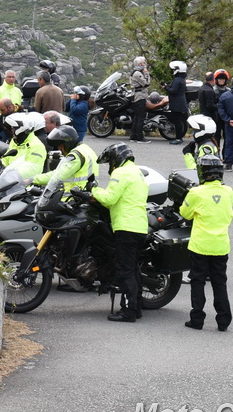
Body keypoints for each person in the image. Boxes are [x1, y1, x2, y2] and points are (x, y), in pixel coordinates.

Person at [87, 143, 148, 323]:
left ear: (116, 159)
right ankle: (136, 307)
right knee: (133, 269)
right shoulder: (136, 172)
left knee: (125, 271)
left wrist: (93, 189)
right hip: (139, 227)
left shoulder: (121, 172)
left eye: (110, 162)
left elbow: (109, 198)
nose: (110, 167)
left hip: (126, 227)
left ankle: (128, 312)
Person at [179, 154, 233, 331]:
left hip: (200, 245)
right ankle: (223, 320)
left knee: (198, 281)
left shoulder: (196, 193)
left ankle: (197, 319)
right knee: (219, 282)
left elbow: (184, 213)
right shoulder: (229, 191)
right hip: (220, 245)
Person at [34, 125, 97, 193]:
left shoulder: (75, 156)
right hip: (87, 192)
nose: (59, 149)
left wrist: (33, 180)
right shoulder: (85, 149)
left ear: (67, 144)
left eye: (60, 146)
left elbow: (57, 176)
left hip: (75, 194)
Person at [165, 60, 189, 145]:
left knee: (177, 121)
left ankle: (178, 138)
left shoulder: (178, 80)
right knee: (178, 121)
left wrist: (166, 87)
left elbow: (173, 91)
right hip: (180, 103)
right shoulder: (181, 79)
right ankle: (179, 138)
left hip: (177, 103)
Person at [129, 56, 151, 142]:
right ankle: (140, 137)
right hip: (140, 96)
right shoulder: (137, 73)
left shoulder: (135, 72)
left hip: (137, 96)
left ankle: (133, 136)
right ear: (139, 64)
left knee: (136, 117)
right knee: (140, 117)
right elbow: (146, 83)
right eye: (143, 63)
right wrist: (146, 73)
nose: (144, 64)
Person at [198, 71, 220, 146]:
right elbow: (210, 105)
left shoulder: (202, 88)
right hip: (210, 116)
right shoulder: (209, 90)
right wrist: (219, 107)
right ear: (213, 80)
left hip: (203, 113)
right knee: (212, 135)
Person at [212, 69, 231, 145]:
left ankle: (226, 152)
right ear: (216, 79)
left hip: (226, 116)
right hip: (216, 116)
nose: (221, 81)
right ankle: (217, 150)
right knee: (216, 135)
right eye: (220, 79)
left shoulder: (229, 91)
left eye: (223, 79)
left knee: (227, 135)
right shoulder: (213, 90)